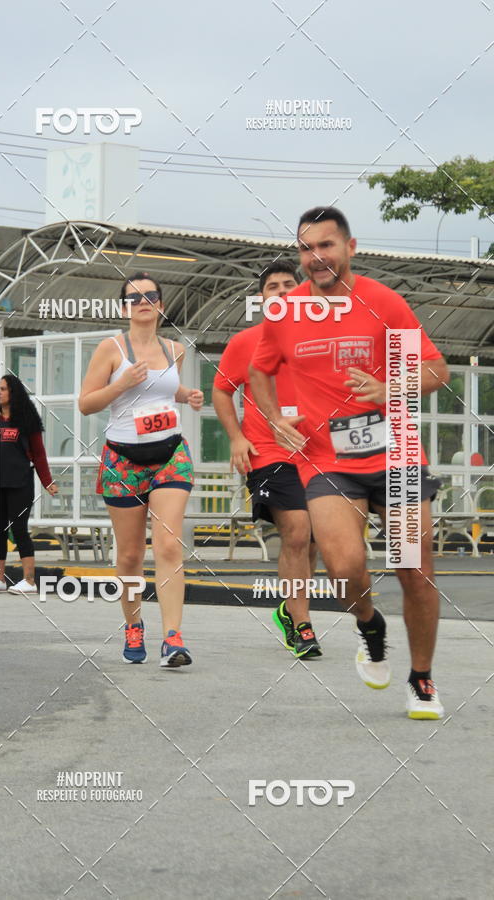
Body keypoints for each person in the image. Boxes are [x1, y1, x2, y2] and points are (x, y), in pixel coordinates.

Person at [250, 207, 448, 720]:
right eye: (305, 248)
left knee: (414, 568)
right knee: (342, 568)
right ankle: (369, 623)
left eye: (326, 246)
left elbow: (434, 369)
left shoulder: (382, 302)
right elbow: (260, 371)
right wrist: (273, 420)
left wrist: (388, 388)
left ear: (351, 247)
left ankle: (421, 679)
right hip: (327, 459)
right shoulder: (285, 312)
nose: (315, 258)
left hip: (396, 451)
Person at [79, 272, 203, 667]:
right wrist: (121, 385)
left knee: (168, 544)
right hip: (123, 460)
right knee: (131, 555)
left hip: (170, 454)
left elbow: (164, 390)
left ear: (161, 305)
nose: (143, 302)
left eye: (150, 296)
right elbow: (86, 403)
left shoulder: (175, 349)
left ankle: (174, 638)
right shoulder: (111, 348)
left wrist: (188, 395)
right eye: (134, 298)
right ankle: (134, 625)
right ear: (123, 308)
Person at [212, 263, 321, 658]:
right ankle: (303, 627)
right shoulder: (246, 342)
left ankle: (291, 610)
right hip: (268, 452)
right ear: (261, 299)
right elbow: (222, 391)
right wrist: (236, 437)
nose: (280, 291)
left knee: (311, 539)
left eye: (288, 285)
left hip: (316, 452)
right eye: (272, 287)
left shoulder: (320, 338)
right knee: (296, 530)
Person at [0, 375, 58, 595]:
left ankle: (29, 581)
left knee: (19, 530)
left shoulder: (27, 419)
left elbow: (38, 454)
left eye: (3, 389)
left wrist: (47, 481)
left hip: (20, 483)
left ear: (13, 392)